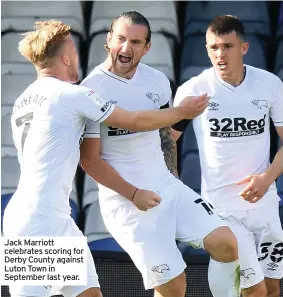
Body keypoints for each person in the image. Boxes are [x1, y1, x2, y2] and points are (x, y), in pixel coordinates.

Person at [3, 20, 211, 297]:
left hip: (55, 217)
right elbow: (134, 120)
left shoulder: (23, 99)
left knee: (90, 294)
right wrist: (181, 112)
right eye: (74, 52)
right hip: (36, 223)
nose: (77, 57)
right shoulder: (72, 95)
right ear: (65, 57)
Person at [80, 11, 241, 297]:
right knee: (173, 286)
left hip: (166, 187)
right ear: (108, 40)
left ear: (147, 47)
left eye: (135, 42)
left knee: (226, 244)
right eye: (120, 39)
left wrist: (173, 183)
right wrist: (133, 194)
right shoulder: (90, 90)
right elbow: (90, 160)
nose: (126, 48)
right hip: (126, 202)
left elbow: (165, 138)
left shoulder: (157, 81)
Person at [172, 15, 283, 297]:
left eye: (227, 46)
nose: (220, 54)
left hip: (265, 205)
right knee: (254, 291)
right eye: (213, 47)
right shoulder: (193, 90)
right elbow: (166, 143)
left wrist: (268, 178)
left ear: (243, 48)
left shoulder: (270, 85)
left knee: (271, 289)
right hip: (222, 210)